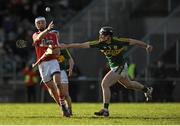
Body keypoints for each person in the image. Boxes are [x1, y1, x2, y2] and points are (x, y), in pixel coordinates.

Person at [60, 26, 153, 117]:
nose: (100, 37)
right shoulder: (100, 43)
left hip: (120, 66)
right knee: (128, 84)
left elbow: (134, 41)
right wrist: (68, 46)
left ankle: (105, 110)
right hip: (116, 67)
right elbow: (81, 45)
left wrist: (146, 45)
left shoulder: (118, 41)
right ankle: (147, 89)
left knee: (104, 84)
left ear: (108, 36)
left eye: (102, 35)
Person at [32, 16, 70, 117]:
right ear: (36, 25)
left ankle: (63, 105)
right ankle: (61, 106)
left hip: (53, 61)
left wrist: (52, 51)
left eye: (42, 22)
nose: (41, 24)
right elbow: (39, 38)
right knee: (52, 90)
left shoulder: (53, 36)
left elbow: (57, 51)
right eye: (38, 23)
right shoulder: (35, 35)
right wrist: (47, 30)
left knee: (57, 83)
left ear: (45, 23)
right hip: (42, 65)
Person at [47, 30, 74, 115]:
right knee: (53, 93)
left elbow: (70, 59)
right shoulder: (47, 47)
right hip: (50, 72)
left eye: (56, 35)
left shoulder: (61, 47)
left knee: (65, 94)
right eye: (53, 35)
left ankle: (70, 110)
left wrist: (70, 68)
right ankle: (63, 108)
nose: (55, 37)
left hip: (61, 72)